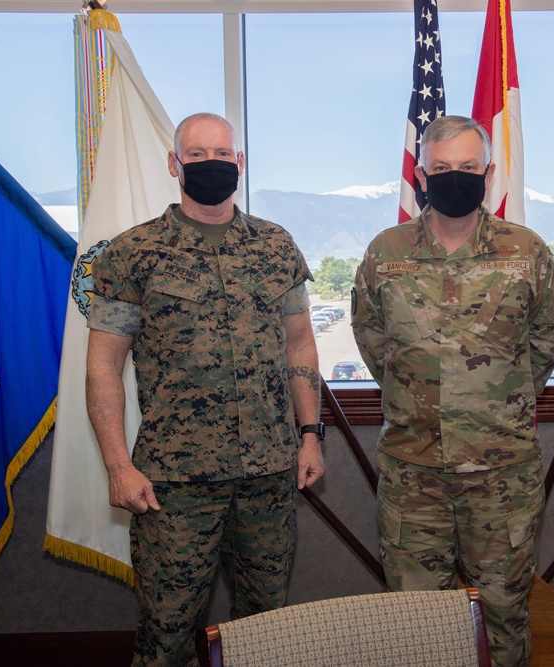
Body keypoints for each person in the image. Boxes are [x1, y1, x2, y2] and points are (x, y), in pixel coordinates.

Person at [85, 112, 325, 667]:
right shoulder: (132, 253)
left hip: (268, 473)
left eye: (222, 155)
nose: (211, 165)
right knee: (166, 634)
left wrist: (309, 436)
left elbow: (300, 347)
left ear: (239, 163)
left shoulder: (275, 246)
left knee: (265, 629)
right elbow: (102, 366)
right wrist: (119, 466)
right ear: (175, 164)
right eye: (196, 156)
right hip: (173, 484)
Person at [351, 115, 554, 667]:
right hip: (412, 476)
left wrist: (503, 395)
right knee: (415, 628)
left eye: (468, 168)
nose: (454, 177)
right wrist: (421, 395)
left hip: (502, 477)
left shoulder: (527, 252)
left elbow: (547, 334)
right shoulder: (386, 252)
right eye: (441, 168)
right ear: (421, 174)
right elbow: (372, 337)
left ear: (489, 173)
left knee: (504, 618)